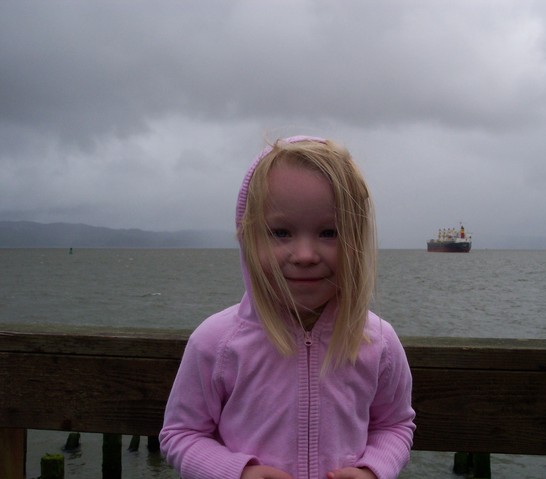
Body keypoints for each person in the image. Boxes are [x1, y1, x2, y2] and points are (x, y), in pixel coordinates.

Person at [160, 136, 415, 479]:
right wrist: (237, 473)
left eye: (329, 232)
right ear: (249, 238)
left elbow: (395, 425)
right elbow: (181, 434)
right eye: (280, 232)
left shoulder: (378, 342)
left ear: (357, 240)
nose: (306, 255)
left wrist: (374, 470)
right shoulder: (216, 343)